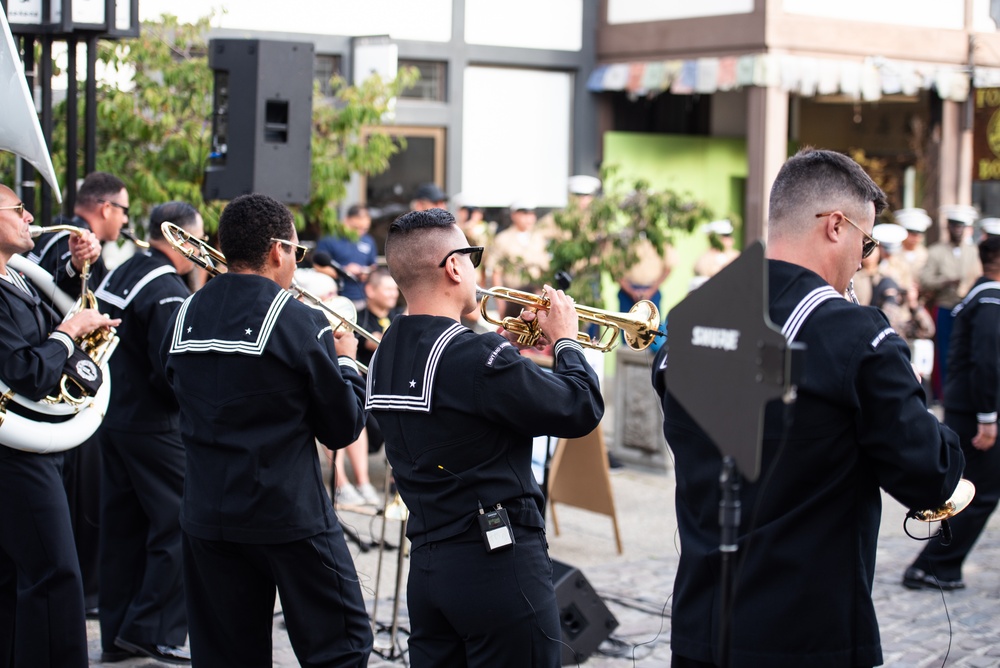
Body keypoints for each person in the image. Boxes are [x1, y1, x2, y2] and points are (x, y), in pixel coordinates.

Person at [653, 149, 965, 668]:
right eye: (866, 243)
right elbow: (930, 474)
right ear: (836, 227)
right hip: (806, 637)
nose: (865, 260)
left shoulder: (690, 320)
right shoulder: (853, 334)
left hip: (701, 630)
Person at [366, 207, 604, 667]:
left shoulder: (384, 353)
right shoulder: (477, 356)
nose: (476, 268)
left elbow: (464, 399)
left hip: (430, 567)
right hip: (498, 566)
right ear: (454, 265)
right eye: (472, 256)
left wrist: (502, 350)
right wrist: (567, 341)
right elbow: (580, 407)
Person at [160, 193, 372, 667]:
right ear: (278, 250)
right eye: (296, 252)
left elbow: (174, 388)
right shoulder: (300, 319)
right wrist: (346, 360)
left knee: (225, 654)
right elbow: (341, 427)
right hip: (286, 512)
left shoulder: (183, 312)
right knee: (343, 643)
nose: (295, 263)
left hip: (207, 512)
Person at [0, 184, 120, 667]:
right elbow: (27, 369)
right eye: (18, 209)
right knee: (55, 575)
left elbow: (42, 318)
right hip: (16, 452)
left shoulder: (15, 275)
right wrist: (69, 335)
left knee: (19, 576)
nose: (31, 216)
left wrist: (74, 270)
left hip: (35, 447)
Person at [93, 202, 204, 664]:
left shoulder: (123, 270)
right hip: (153, 424)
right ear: (179, 236)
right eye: (197, 242)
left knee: (123, 528)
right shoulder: (164, 286)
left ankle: (117, 632)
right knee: (179, 526)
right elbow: (170, 368)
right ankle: (150, 630)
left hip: (113, 416)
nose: (200, 253)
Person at [26, 171, 131, 613]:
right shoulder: (70, 237)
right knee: (76, 506)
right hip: (50, 391)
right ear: (106, 208)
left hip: (62, 387)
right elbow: (51, 288)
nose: (125, 221)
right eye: (124, 211)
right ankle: (83, 593)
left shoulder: (74, 236)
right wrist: (76, 265)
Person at [902, 235, 1000, 591]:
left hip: (967, 407)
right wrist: (988, 417)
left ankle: (933, 566)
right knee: (981, 494)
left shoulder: (977, 294)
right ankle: (933, 566)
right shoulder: (990, 299)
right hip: (976, 413)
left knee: (974, 491)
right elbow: (988, 362)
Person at [333, 267, 402, 508]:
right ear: (370, 291)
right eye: (388, 288)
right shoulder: (356, 318)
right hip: (365, 397)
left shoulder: (400, 318)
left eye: (395, 289)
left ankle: (399, 481)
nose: (394, 294)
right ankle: (356, 484)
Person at [921, 205, 982, 399]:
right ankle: (946, 394)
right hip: (945, 307)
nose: (957, 230)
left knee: (969, 350)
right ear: (948, 227)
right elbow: (925, 279)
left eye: (961, 226)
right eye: (954, 226)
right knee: (945, 351)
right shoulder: (936, 251)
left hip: (968, 308)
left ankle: (965, 392)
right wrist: (945, 281)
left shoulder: (974, 252)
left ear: (966, 228)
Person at [314, 204, 377, 308]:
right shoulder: (330, 238)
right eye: (356, 227)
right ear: (346, 220)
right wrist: (344, 271)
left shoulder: (368, 240)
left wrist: (366, 273)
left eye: (364, 229)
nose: (360, 232)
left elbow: (373, 266)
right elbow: (318, 266)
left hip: (361, 297)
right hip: (335, 297)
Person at [488, 200, 550, 288]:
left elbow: (545, 270)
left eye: (531, 214)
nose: (529, 218)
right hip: (513, 294)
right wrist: (500, 300)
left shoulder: (539, 237)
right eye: (524, 214)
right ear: (513, 215)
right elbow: (496, 272)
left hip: (536, 294)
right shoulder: (502, 239)